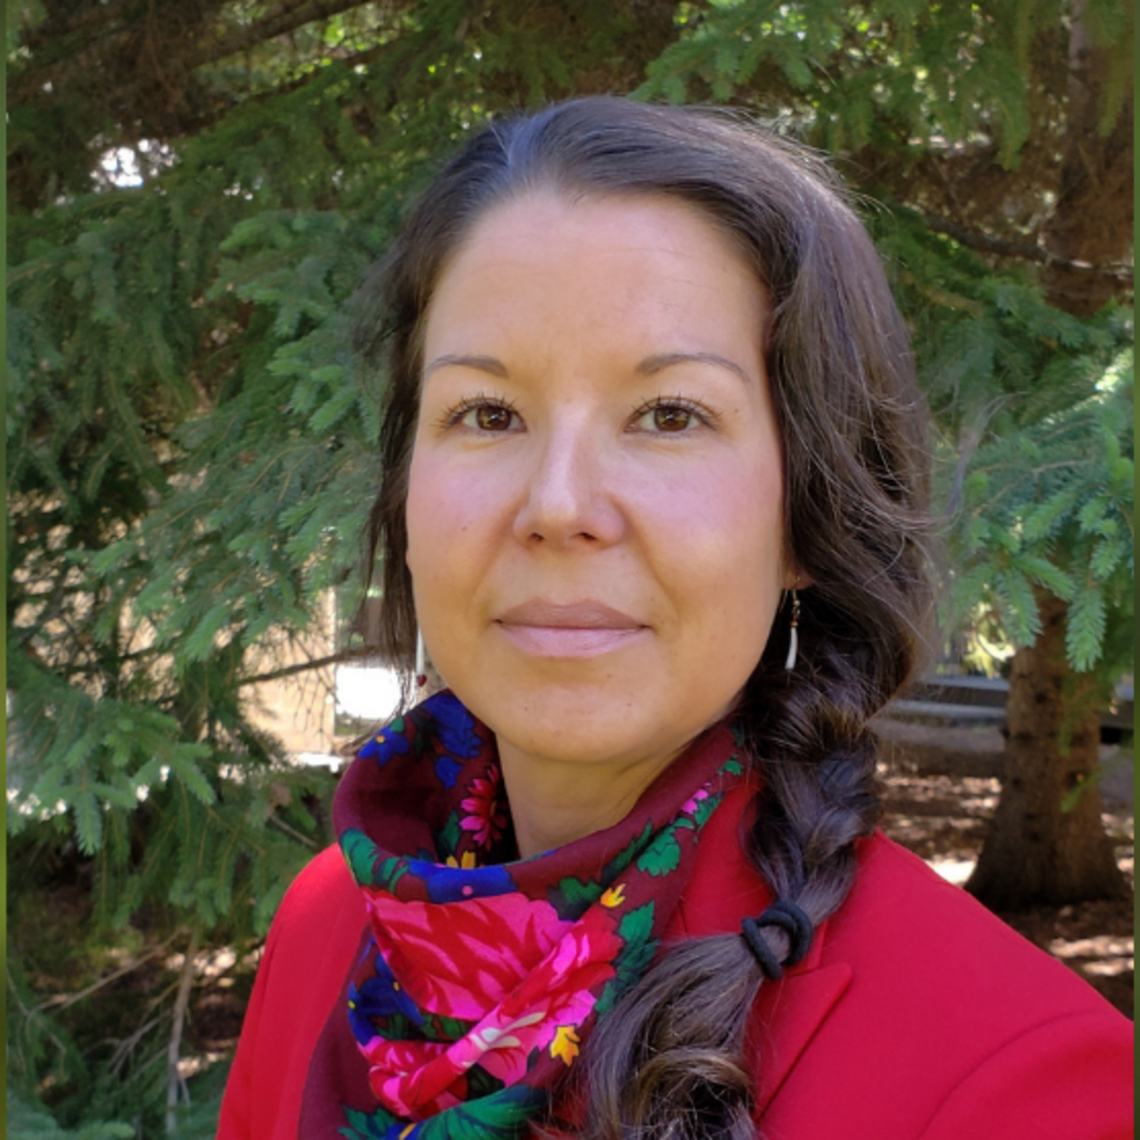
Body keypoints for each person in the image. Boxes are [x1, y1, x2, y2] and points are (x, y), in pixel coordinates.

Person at [217, 97, 1133, 1140]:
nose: (558, 504)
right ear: (408, 496)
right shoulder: (332, 923)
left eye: (669, 416)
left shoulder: (1019, 1081)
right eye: (487, 413)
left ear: (803, 516)